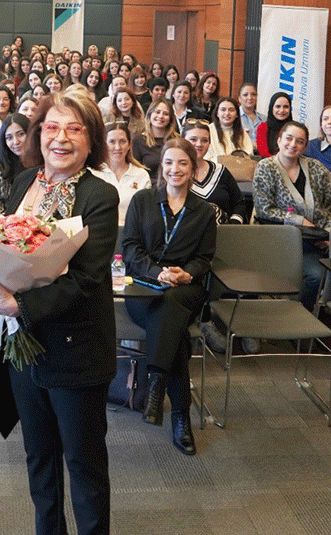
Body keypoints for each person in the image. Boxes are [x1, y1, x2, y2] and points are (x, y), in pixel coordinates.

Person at [0, 91, 117, 535]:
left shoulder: (99, 195)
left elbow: (86, 278)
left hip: (75, 349)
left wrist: (21, 303)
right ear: (38, 135)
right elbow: (7, 248)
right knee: (39, 459)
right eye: (52, 127)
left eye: (75, 129)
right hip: (23, 347)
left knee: (84, 464)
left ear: (91, 141)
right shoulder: (23, 182)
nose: (61, 138)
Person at [122, 138, 216, 455]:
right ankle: (180, 418)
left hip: (185, 288)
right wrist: (156, 272)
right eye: (169, 162)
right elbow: (131, 249)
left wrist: (186, 274)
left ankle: (156, 384)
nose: (174, 169)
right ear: (161, 167)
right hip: (145, 286)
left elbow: (205, 258)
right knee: (172, 329)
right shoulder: (142, 200)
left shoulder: (204, 211)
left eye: (182, 163)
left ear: (193, 169)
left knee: (174, 303)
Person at [252, 120, 331, 310]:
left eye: (300, 141)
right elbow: (264, 209)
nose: (293, 144)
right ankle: (297, 313)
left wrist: (327, 233)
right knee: (316, 275)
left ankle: (313, 314)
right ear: (279, 140)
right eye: (289, 138)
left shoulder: (316, 167)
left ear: (305, 146)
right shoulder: (265, 168)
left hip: (317, 239)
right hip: (281, 239)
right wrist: (299, 220)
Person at [183, 120, 247, 224]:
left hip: (224, 234)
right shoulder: (176, 174)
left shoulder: (220, 171)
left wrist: (234, 224)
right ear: (183, 141)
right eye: (193, 139)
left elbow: (239, 203)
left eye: (204, 140)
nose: (199, 144)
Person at [95, 122, 150, 227]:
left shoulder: (141, 175)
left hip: (131, 235)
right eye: (111, 142)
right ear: (103, 145)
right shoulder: (94, 173)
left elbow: (145, 214)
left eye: (122, 142)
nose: (117, 147)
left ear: (129, 144)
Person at [0, 114, 29, 210]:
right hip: (4, 222)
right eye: (9, 138)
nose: (16, 141)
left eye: (20, 134)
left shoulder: (42, 163)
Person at [133, 99, 174, 183]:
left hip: (171, 185)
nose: (161, 116)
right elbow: (135, 172)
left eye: (165, 114)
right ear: (149, 114)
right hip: (147, 186)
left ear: (170, 118)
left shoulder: (176, 141)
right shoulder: (138, 140)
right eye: (157, 112)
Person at [256, 91, 292, 157]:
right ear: (271, 108)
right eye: (278, 106)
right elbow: (263, 153)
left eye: (286, 107)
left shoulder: (294, 128)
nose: (282, 110)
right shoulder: (263, 127)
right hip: (269, 164)